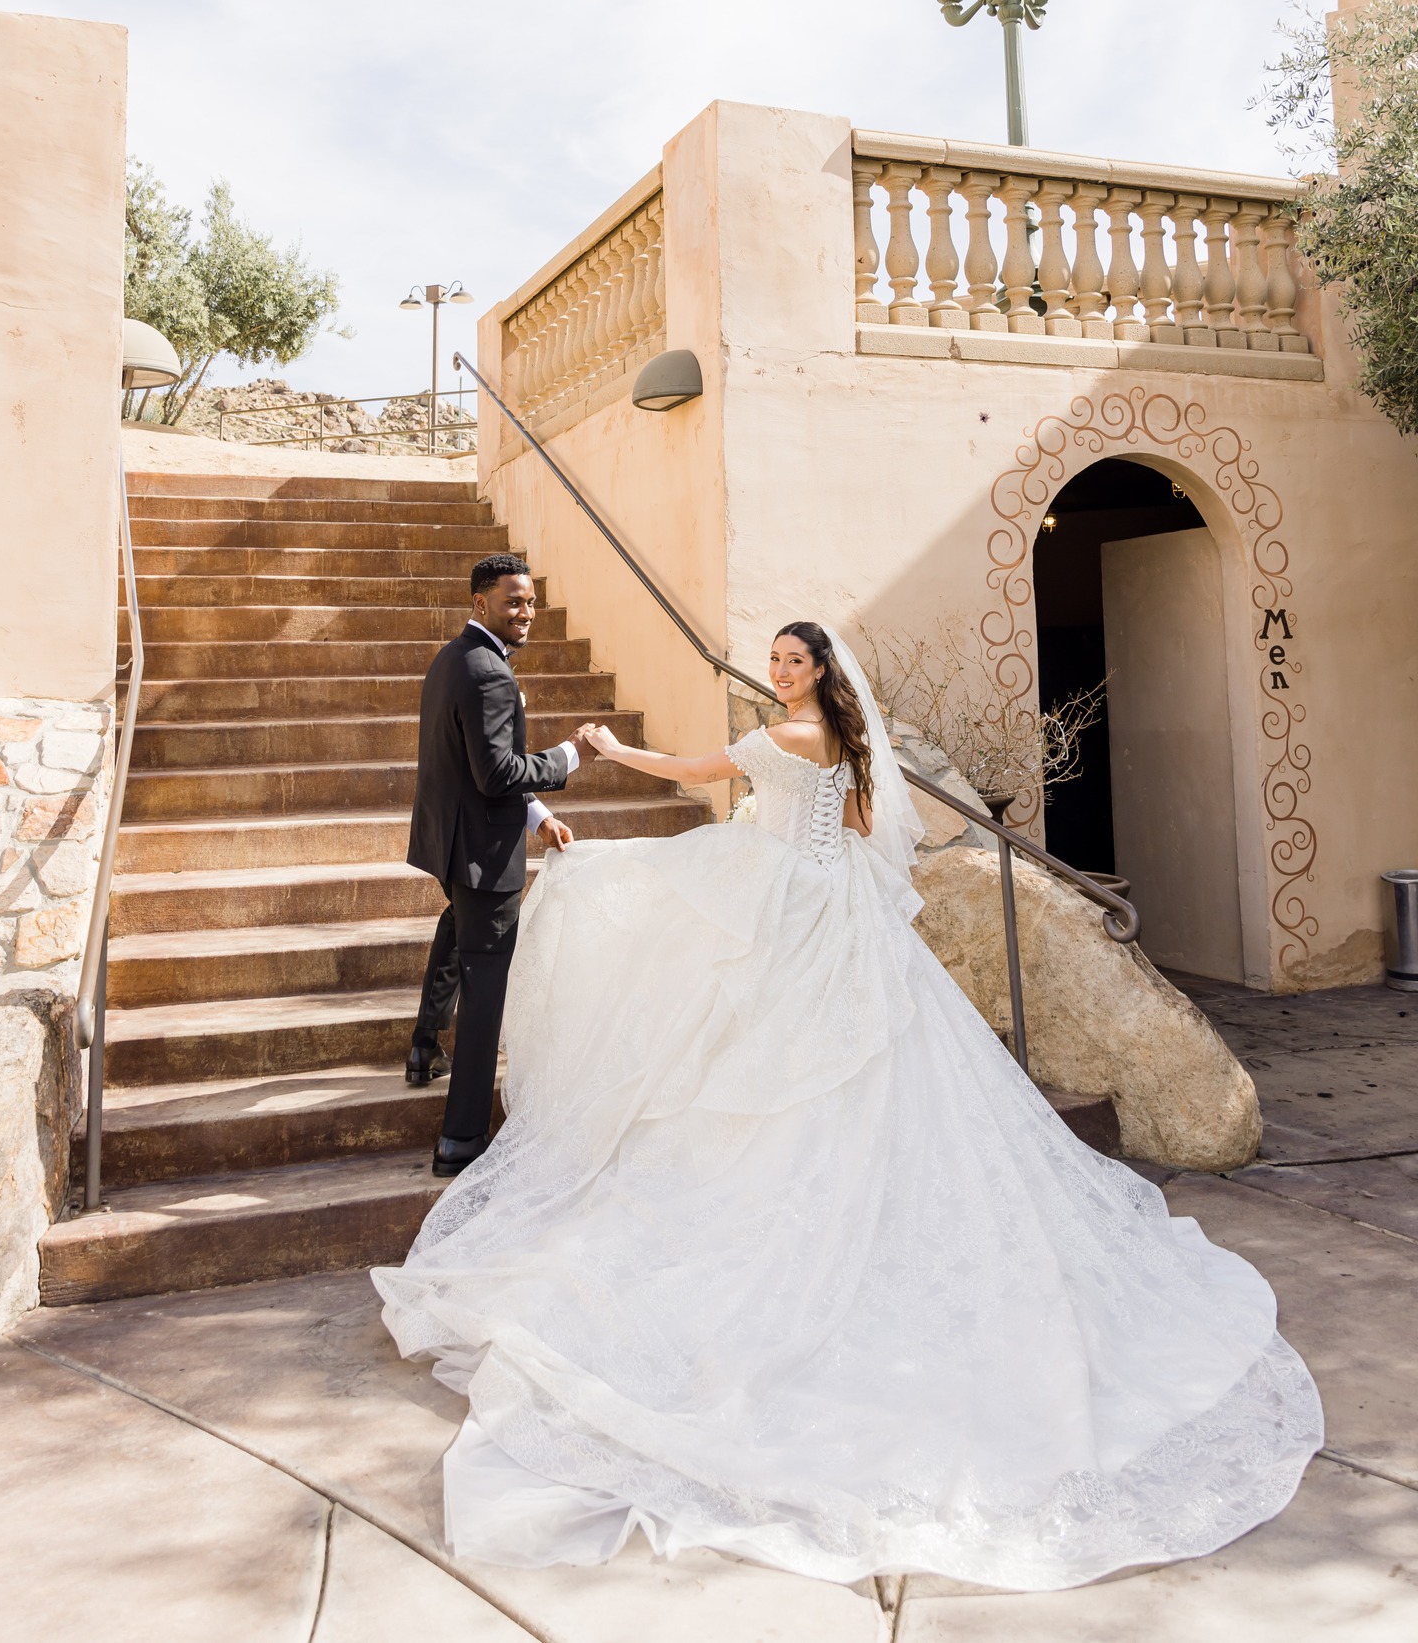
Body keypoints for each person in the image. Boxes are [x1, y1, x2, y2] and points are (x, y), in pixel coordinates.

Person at [374, 621, 1322, 1590]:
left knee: (720, 1000)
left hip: (793, 906)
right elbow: (867, 828)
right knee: (827, 1063)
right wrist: (799, 832)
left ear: (822, 670)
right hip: (836, 906)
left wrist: (614, 751)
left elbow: (692, 766)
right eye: (776, 660)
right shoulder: (845, 736)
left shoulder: (784, 736)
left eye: (794, 661)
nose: (780, 672)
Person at [404, 552, 583, 1178]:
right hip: (481, 852)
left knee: (457, 929)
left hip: (455, 842)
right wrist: (568, 756)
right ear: (482, 604)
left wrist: (537, 819)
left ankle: (424, 1049)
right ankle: (460, 1141)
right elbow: (499, 770)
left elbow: (480, 761)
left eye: (531, 600)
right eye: (514, 601)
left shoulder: (454, 658)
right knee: (487, 992)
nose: (526, 611)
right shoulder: (489, 674)